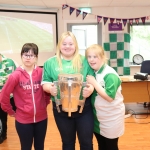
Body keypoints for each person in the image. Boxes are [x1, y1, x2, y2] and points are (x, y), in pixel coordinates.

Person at [42, 31, 94, 150]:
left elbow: (92, 80)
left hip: (84, 109)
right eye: (64, 44)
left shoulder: (85, 61)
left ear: (75, 45)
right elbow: (45, 82)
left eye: (71, 44)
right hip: (60, 109)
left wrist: (90, 89)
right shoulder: (50, 62)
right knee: (68, 143)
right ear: (59, 45)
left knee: (86, 143)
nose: (67, 47)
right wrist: (50, 89)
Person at [0, 43, 50, 150]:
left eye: (31, 55)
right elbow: (4, 95)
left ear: (36, 57)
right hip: (23, 121)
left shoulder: (42, 73)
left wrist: (43, 105)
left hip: (41, 119)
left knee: (40, 147)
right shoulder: (15, 75)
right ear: (21, 56)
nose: (28, 58)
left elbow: (47, 92)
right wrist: (10, 110)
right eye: (25, 54)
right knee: (26, 147)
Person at [85, 44, 125, 150]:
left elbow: (109, 97)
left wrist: (94, 83)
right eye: (89, 57)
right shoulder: (94, 72)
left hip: (111, 119)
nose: (91, 60)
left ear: (102, 57)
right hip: (98, 118)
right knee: (102, 145)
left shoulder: (110, 74)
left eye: (95, 56)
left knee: (111, 146)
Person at [0, 53, 17, 144]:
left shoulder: (9, 62)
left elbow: (13, 80)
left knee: (19, 115)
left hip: (11, 96)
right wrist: (5, 79)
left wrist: (6, 79)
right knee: (2, 118)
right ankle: (3, 134)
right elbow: (7, 79)